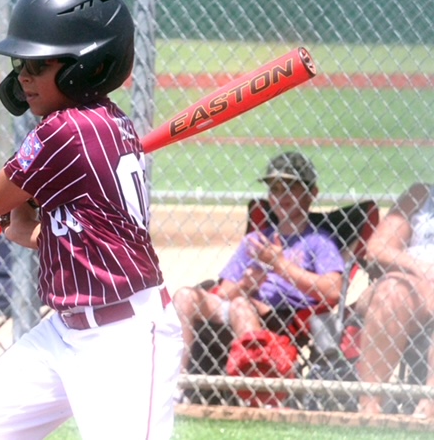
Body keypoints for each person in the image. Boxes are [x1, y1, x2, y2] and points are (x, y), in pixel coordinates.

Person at [0, 0, 183, 440]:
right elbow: (59, 235)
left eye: (38, 63)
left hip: (123, 339)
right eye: (19, 62)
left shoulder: (67, 130)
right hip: (64, 333)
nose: (23, 75)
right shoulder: (107, 122)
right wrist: (25, 219)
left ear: (87, 67)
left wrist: (17, 208)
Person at [173, 152, 345, 375]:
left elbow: (333, 291)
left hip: (283, 316)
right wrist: (246, 284)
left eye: (290, 188)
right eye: (275, 189)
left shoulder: (318, 241)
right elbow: (222, 294)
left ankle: (255, 388)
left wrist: (280, 265)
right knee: (185, 297)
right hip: (238, 305)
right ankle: (177, 381)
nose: (281, 195)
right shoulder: (255, 240)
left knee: (241, 306)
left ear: (312, 193)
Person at [355, 182, 434, 418]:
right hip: (413, 284)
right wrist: (424, 270)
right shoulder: (422, 195)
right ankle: (369, 410)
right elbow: (377, 249)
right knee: (390, 292)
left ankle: (428, 409)